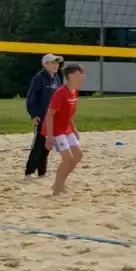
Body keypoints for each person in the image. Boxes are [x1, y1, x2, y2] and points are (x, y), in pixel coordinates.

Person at [44, 63, 87, 196]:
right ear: (71, 75)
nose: (83, 76)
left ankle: (59, 182)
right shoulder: (61, 92)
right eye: (80, 73)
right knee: (67, 158)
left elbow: (69, 114)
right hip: (56, 130)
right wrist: (49, 137)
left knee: (78, 155)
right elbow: (49, 114)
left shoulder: (74, 91)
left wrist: (74, 129)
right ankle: (57, 189)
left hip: (66, 128)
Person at [23, 53, 62, 178]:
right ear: (45, 64)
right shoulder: (39, 78)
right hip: (41, 117)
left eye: (57, 63)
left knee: (47, 146)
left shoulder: (57, 79)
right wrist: (33, 114)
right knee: (38, 145)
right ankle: (29, 171)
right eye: (53, 63)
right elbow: (31, 98)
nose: (56, 65)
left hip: (52, 118)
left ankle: (42, 171)